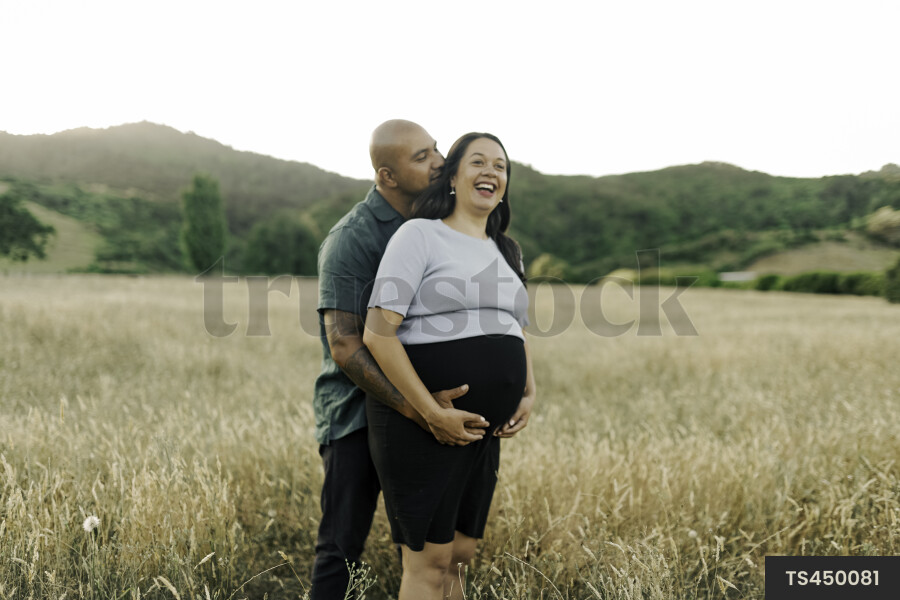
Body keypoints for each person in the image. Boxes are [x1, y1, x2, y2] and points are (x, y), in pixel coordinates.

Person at [310, 120, 491, 600]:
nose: (438, 162)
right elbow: (346, 344)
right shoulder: (353, 237)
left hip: (427, 409)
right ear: (387, 177)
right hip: (357, 415)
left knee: (419, 549)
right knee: (341, 546)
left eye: (435, 150)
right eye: (421, 157)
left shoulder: (436, 227)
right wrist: (420, 410)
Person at [363, 132, 538, 600]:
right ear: (454, 178)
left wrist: (526, 390)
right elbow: (377, 333)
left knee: (460, 557)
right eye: (478, 162)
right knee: (429, 564)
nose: (491, 172)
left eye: (500, 166)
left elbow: (513, 325)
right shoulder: (420, 234)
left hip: (484, 430)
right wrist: (429, 413)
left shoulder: (508, 250)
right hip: (424, 424)